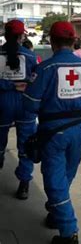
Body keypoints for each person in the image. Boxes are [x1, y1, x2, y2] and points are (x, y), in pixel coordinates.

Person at [23, 21, 81, 244]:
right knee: (66, 173)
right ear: (74, 41)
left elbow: (30, 106)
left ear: (52, 42)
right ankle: (57, 211)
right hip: (79, 129)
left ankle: (69, 233)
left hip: (53, 133)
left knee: (55, 180)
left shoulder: (44, 68)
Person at [0, 20, 38, 200]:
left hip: (2, 102)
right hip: (25, 104)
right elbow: (34, 80)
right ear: (22, 35)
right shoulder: (30, 56)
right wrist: (20, 85)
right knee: (26, 145)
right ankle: (24, 184)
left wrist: (8, 85)